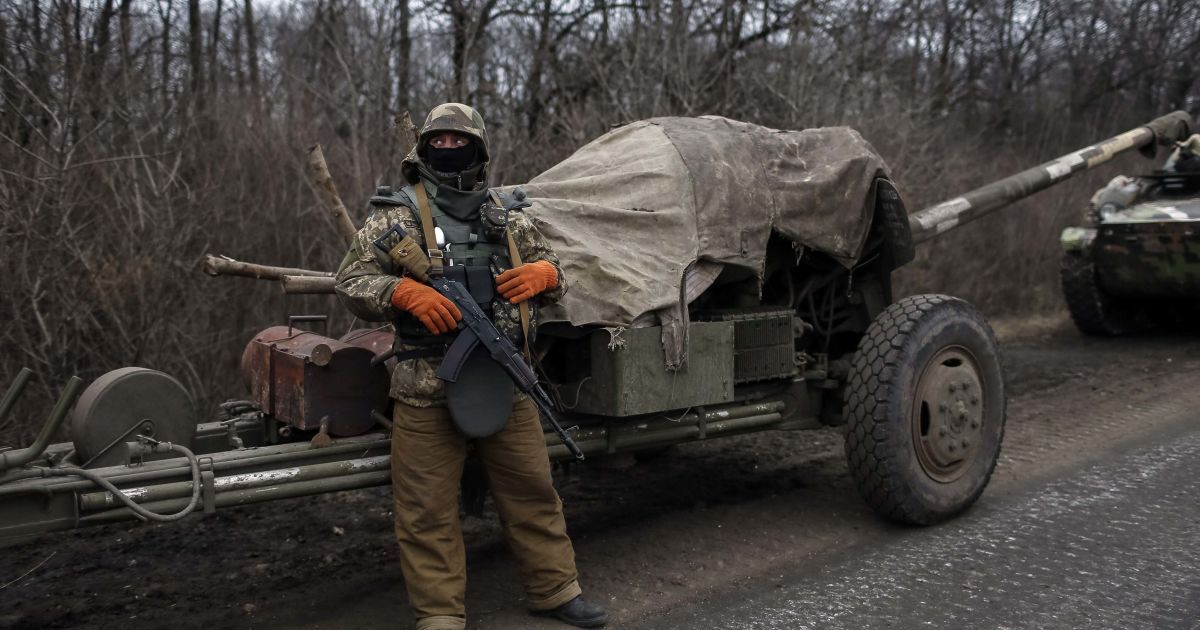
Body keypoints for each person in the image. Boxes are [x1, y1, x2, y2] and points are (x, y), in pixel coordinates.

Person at [334, 103, 607, 630]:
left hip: (507, 381)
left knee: (533, 492)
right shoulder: (396, 216)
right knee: (426, 512)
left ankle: (555, 590)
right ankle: (440, 615)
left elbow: (561, 273)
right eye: (440, 141)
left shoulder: (508, 216)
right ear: (424, 149)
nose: (450, 150)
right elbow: (350, 281)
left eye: (462, 142)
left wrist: (545, 277)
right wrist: (401, 290)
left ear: (480, 151)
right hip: (424, 386)